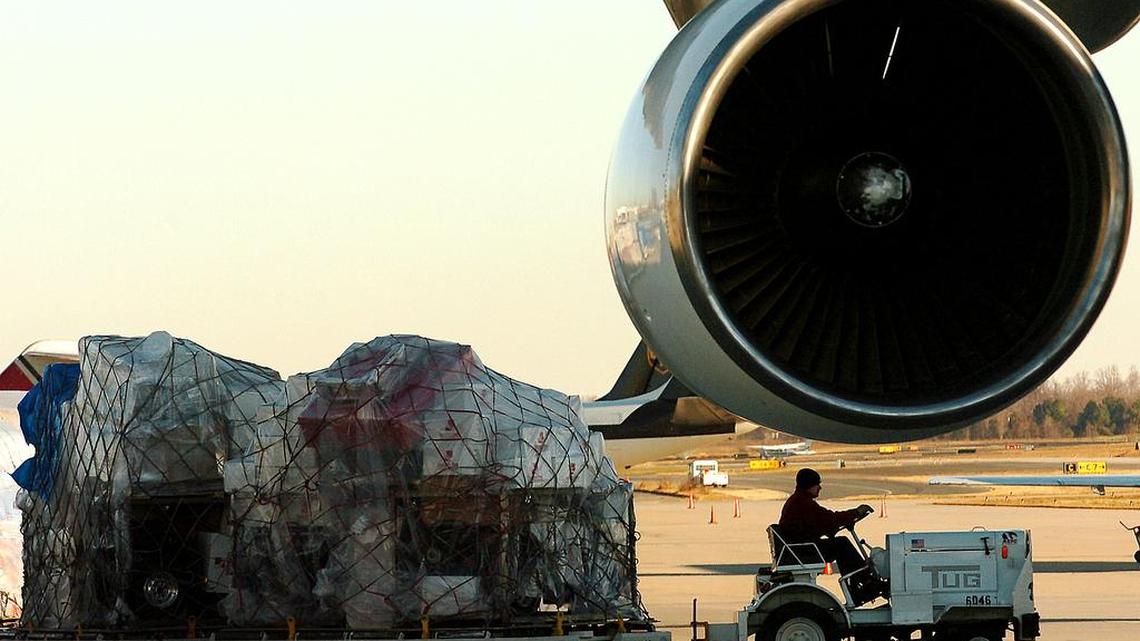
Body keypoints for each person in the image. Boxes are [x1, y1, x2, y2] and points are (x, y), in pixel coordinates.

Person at [777, 467, 873, 577]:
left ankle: (857, 579)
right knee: (842, 544)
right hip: (804, 550)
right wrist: (855, 513)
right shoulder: (803, 503)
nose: (820, 487)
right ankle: (863, 579)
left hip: (798, 548)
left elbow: (819, 523)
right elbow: (829, 519)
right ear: (809, 485)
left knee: (839, 543)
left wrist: (834, 527)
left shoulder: (798, 500)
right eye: (817, 484)